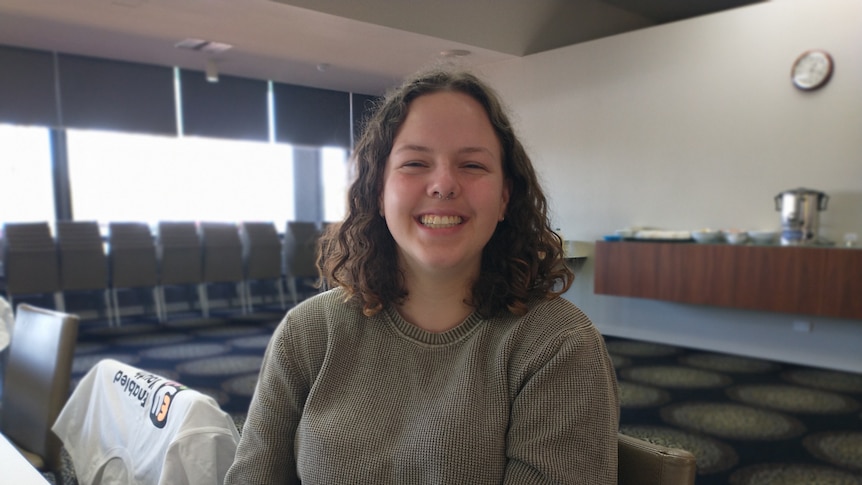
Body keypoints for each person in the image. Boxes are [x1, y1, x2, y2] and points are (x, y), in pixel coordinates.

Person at [225, 68, 619, 484]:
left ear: (505, 197)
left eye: (472, 164)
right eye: (415, 162)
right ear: (378, 192)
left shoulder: (556, 345)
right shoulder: (307, 333)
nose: (444, 184)